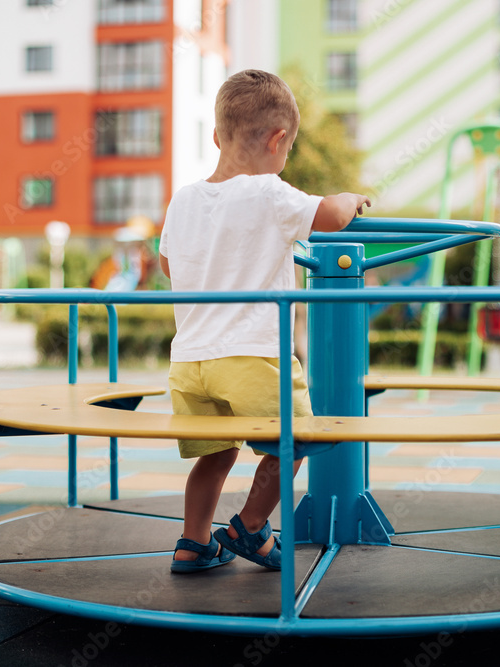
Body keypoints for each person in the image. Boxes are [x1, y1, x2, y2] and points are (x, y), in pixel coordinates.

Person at [158, 69, 371, 573]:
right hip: (253, 352)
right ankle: (250, 527)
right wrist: (351, 199)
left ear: (216, 137)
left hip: (189, 361)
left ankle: (193, 543)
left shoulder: (183, 199)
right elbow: (332, 216)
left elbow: (169, 264)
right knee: (299, 438)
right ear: (278, 140)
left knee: (216, 455)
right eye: (288, 148)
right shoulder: (271, 192)